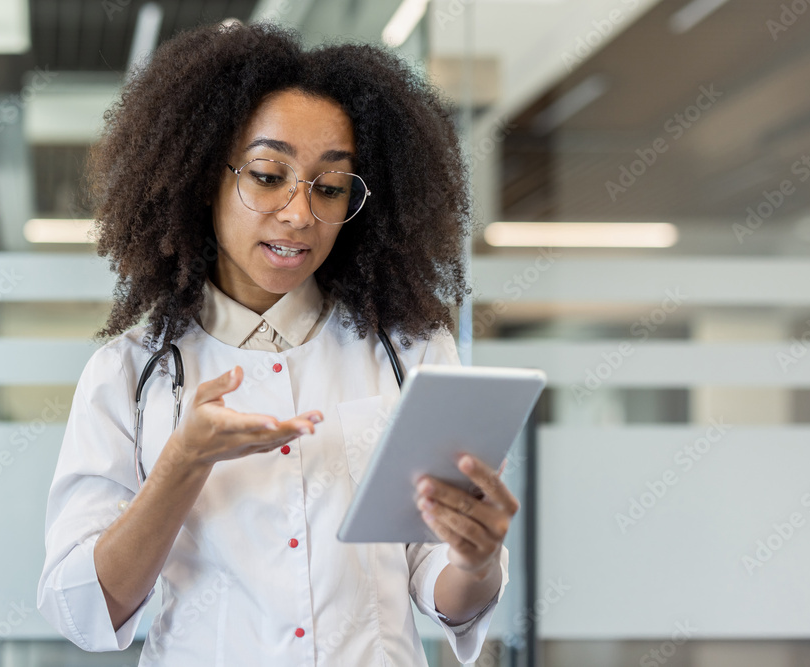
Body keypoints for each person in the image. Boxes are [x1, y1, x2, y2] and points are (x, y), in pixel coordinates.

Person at [37, 21, 519, 666]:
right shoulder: (128, 373)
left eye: (329, 187)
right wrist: (183, 462)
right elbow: (87, 609)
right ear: (205, 176)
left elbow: (445, 590)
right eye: (268, 175)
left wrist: (476, 557)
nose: (299, 214)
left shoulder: (411, 354)